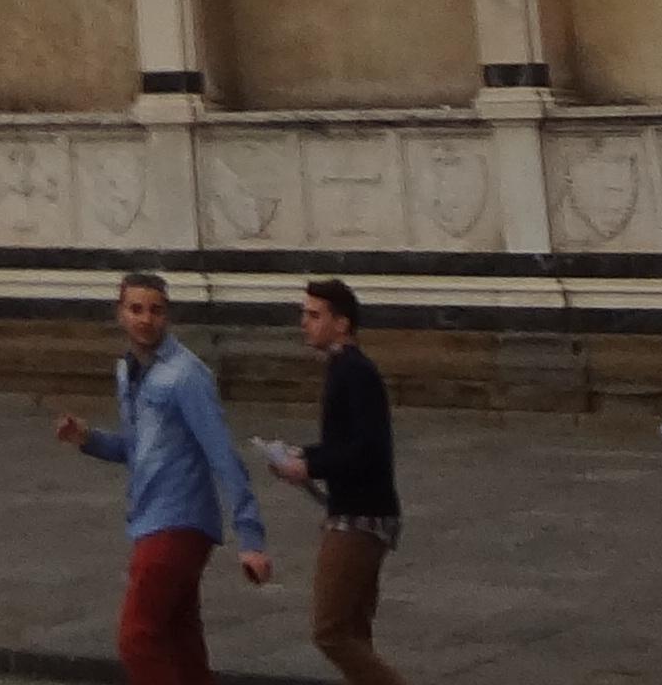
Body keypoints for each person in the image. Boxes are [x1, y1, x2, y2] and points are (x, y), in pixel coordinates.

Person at [52, 270, 270, 685]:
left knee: (137, 638)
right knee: (180, 641)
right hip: (151, 517)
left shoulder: (187, 376)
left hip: (179, 523)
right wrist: (88, 439)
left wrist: (251, 538)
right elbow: (140, 452)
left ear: (167, 316)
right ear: (120, 313)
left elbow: (223, 455)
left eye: (155, 310)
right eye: (136, 309)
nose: (145, 319)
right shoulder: (128, 371)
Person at [262, 277, 404, 685]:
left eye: (314, 315)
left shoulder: (354, 371)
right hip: (361, 509)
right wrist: (304, 455)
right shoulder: (345, 368)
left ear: (341, 323)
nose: (304, 323)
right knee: (355, 631)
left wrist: (309, 467)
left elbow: (366, 449)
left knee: (330, 630)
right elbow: (347, 443)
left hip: (359, 517)